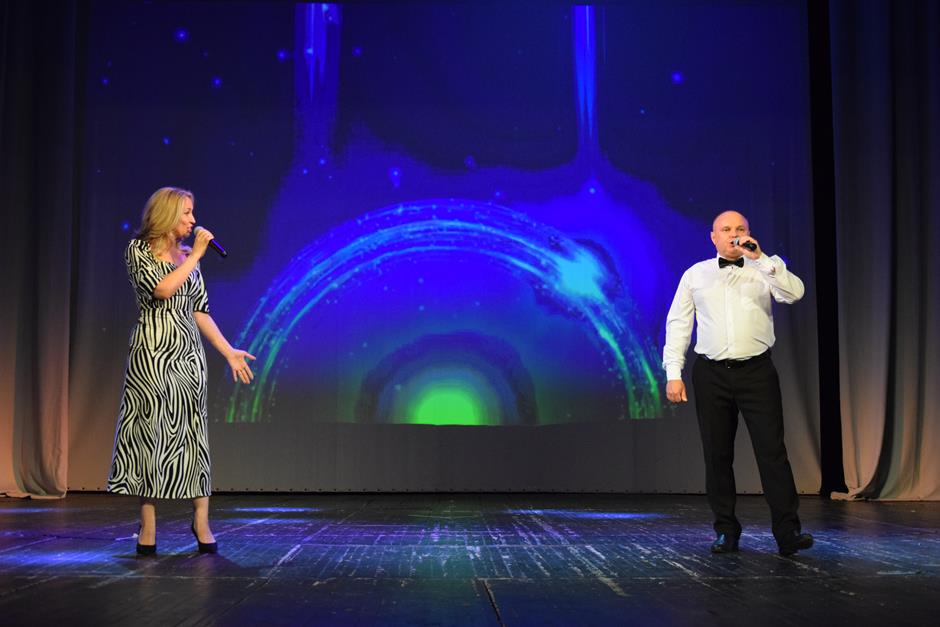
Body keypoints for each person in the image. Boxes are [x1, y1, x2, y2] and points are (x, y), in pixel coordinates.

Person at [108, 187, 255, 556]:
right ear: (167, 214)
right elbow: (162, 290)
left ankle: (201, 520)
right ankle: (148, 524)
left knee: (193, 435)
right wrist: (196, 257)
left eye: (193, 212)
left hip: (187, 357)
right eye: (187, 212)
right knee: (148, 435)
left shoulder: (190, 257)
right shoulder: (138, 250)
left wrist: (228, 352)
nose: (193, 220)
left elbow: (199, 311)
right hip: (151, 355)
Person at [663, 210, 813, 556]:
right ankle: (726, 532)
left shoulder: (765, 268)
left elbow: (794, 294)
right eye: (726, 229)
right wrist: (674, 373)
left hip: (756, 372)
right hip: (711, 373)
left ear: (749, 233)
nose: (734, 234)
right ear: (713, 237)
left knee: (772, 453)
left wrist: (761, 259)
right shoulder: (696, 274)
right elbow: (679, 323)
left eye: (740, 228)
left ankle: (788, 533)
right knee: (717, 455)